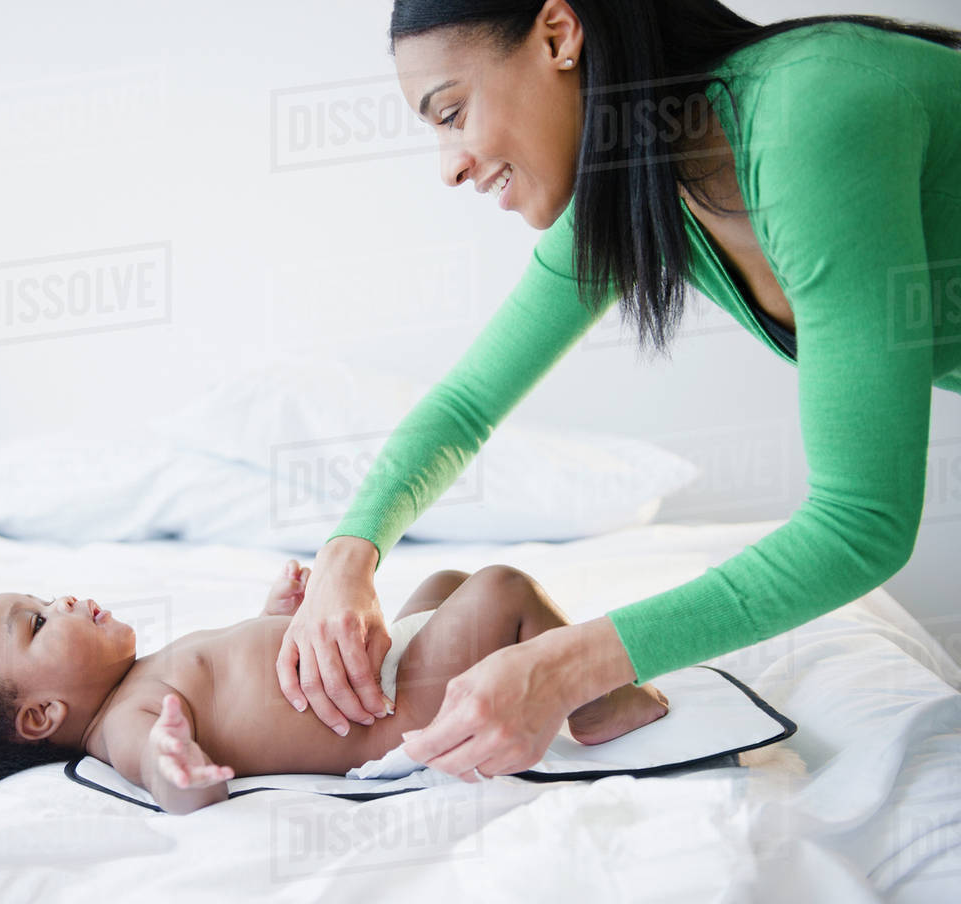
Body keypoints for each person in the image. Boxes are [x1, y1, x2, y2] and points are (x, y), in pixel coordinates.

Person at [275, 0, 961, 782]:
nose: (450, 165)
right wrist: (346, 557)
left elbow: (860, 522)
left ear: (559, 36)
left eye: (453, 113)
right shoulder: (645, 184)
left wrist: (567, 667)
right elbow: (466, 406)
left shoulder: (810, 117)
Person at [0, 561, 668, 815]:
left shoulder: (139, 677)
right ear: (42, 715)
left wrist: (275, 617)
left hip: (378, 676)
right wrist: (177, 771)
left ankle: (573, 677)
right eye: (39, 624)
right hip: (392, 713)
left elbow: (240, 677)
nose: (66, 602)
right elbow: (163, 777)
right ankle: (601, 700)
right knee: (498, 588)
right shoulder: (130, 723)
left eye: (44, 598)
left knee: (446, 579)